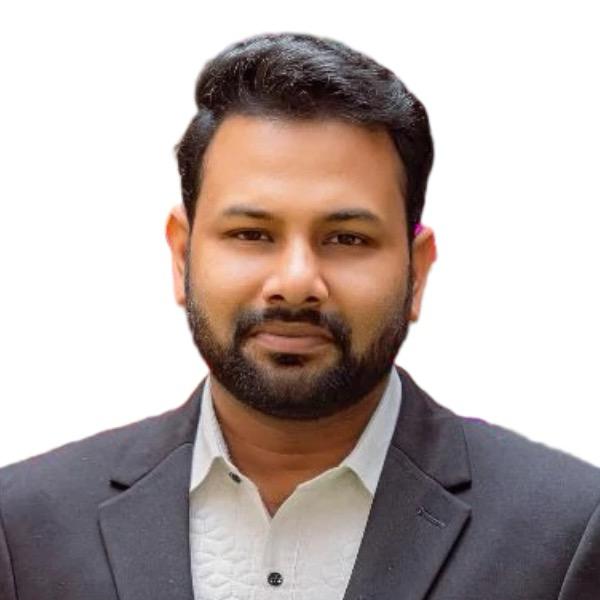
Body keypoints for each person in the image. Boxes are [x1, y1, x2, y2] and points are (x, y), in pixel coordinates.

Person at [1, 32, 599, 600]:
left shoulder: (564, 533)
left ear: (417, 270)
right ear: (182, 256)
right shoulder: (25, 531)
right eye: (251, 233)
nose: (295, 282)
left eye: (346, 239)